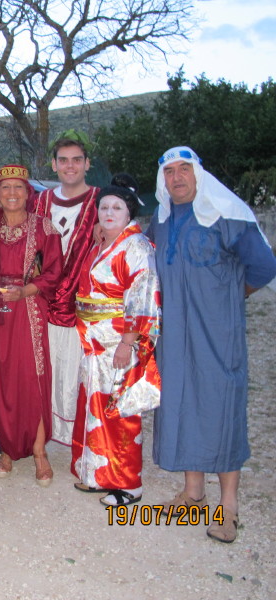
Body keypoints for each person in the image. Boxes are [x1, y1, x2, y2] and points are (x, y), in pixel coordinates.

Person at [148, 147, 276, 543]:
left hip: (218, 334)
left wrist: (232, 296)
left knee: (220, 409)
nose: (177, 177)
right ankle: (193, 494)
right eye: (169, 171)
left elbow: (264, 266)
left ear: (198, 174)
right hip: (175, 336)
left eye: (184, 169)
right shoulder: (161, 220)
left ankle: (229, 506)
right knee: (183, 403)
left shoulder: (228, 214)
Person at [70, 174, 161, 507]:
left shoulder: (135, 246)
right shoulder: (105, 242)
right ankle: (99, 474)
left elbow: (143, 296)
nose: (109, 212)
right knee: (97, 408)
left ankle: (129, 483)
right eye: (104, 207)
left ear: (129, 212)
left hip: (118, 342)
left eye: (117, 207)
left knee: (120, 411)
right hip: (95, 343)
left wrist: (128, 341)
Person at [0, 165, 63, 485]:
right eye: (5, 188)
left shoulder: (44, 227)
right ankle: (7, 449)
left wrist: (24, 290)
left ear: (28, 193)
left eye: (18, 187)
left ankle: (39, 452)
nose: (12, 193)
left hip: (28, 309)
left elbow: (54, 271)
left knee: (30, 379)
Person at [26, 130, 100, 449]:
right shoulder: (40, 201)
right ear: (54, 165)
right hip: (42, 302)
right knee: (41, 371)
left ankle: (77, 439)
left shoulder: (102, 202)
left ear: (87, 164)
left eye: (77, 160)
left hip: (82, 305)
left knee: (74, 373)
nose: (70, 166)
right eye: (64, 160)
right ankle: (34, 434)